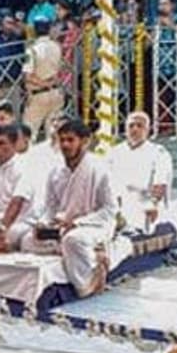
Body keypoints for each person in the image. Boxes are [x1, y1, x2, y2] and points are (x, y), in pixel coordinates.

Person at [21, 120, 117, 297]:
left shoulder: (100, 169)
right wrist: (43, 223)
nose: (65, 145)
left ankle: (88, 284)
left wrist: (77, 222)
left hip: (93, 225)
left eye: (70, 140)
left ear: (85, 141)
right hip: (61, 227)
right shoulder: (55, 171)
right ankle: (91, 256)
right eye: (62, 140)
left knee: (73, 240)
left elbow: (110, 210)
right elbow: (50, 206)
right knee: (27, 240)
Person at [108, 111, 174, 232]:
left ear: (147, 130)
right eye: (131, 126)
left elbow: (160, 182)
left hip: (145, 203)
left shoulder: (158, 153)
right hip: (118, 203)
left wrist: (153, 203)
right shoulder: (114, 152)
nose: (135, 129)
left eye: (140, 126)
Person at [22, 18, 64, 138]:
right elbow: (59, 69)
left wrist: (45, 84)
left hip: (38, 93)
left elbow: (28, 76)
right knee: (54, 133)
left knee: (29, 133)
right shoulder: (56, 46)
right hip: (55, 92)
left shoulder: (32, 49)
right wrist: (51, 84)